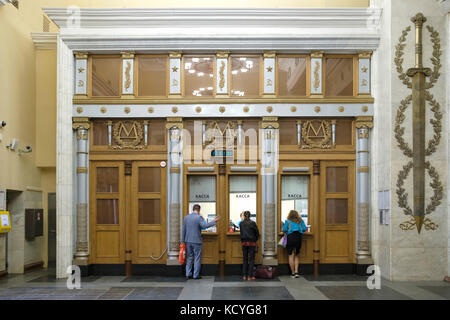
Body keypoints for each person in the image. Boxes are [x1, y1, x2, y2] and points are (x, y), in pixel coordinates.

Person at [181, 204, 220, 280]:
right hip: (196, 241)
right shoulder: (199, 217)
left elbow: (183, 230)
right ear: (199, 210)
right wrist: (214, 221)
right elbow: (204, 226)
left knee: (189, 257)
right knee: (197, 258)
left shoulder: (186, 217)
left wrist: (183, 241)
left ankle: (188, 274)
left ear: (193, 209)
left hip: (188, 241)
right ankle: (195, 275)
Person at [282, 210, 307, 278]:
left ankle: (292, 273)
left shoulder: (287, 221)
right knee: (296, 255)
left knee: (291, 255)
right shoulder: (300, 221)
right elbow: (305, 228)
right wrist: (300, 231)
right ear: (297, 215)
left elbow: (284, 229)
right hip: (298, 238)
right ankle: (296, 272)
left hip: (290, 238)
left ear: (289, 215)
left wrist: (288, 230)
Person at [239, 211, 259, 281]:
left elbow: (241, 233)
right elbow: (257, 233)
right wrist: (255, 239)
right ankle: (250, 276)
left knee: (245, 259)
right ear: (250, 216)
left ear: (244, 216)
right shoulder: (253, 223)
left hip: (244, 243)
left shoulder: (241, 223)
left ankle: (244, 275)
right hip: (252, 243)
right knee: (251, 259)